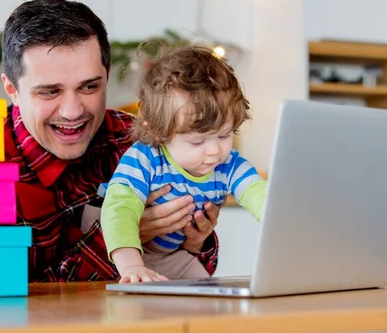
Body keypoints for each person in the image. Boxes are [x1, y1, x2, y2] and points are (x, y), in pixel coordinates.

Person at [0, 0, 222, 282]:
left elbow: (192, 269)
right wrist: (124, 234)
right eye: (49, 92)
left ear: (106, 75)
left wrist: (195, 241)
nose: (72, 112)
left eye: (89, 87)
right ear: (12, 89)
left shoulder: (135, 140)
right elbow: (3, 297)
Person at [98, 45, 267, 283]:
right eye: (197, 141)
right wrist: (132, 266)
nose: (214, 151)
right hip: (125, 253)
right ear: (158, 132)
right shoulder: (145, 158)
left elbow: (259, 194)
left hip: (170, 255)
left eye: (224, 135)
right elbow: (119, 211)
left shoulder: (227, 164)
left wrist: (285, 224)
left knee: (207, 297)